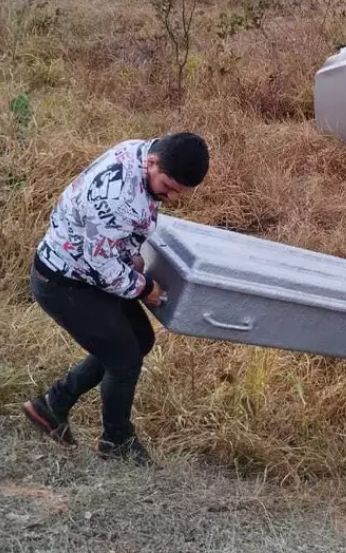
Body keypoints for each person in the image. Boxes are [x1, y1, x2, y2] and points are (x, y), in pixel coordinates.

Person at [22, 133, 210, 466]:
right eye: (168, 187)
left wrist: (132, 258)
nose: (170, 197)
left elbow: (114, 243)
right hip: (64, 281)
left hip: (85, 274)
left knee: (139, 339)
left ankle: (53, 405)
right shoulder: (116, 195)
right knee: (124, 358)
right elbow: (101, 264)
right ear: (153, 163)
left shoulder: (143, 154)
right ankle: (117, 440)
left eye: (178, 193)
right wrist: (144, 286)